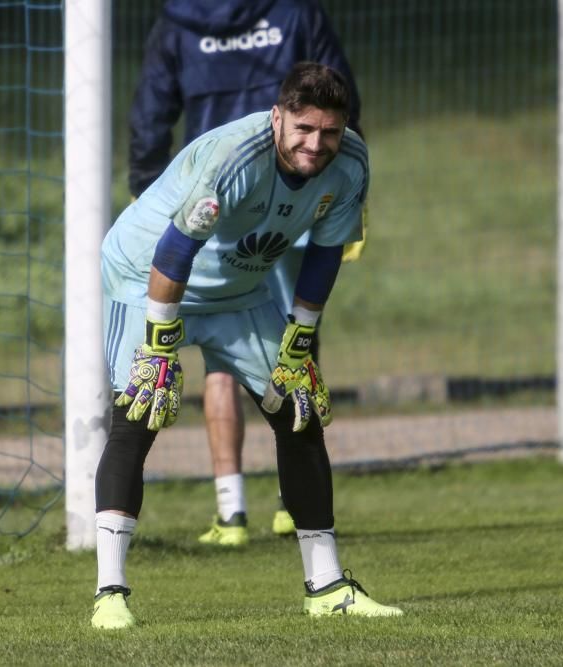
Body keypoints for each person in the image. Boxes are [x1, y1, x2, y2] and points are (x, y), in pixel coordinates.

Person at [92, 62, 401, 629]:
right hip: (147, 280)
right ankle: (109, 593)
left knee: (299, 414)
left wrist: (299, 342)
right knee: (137, 415)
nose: (316, 144)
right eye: (304, 129)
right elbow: (175, 250)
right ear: (278, 117)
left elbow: (325, 253)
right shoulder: (236, 156)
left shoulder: (351, 162)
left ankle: (327, 587)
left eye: (329, 131)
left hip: (240, 292)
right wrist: (160, 345)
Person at [128, 0, 366, 547]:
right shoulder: (294, 12)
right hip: (301, 189)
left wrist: (147, 180)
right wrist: (344, 178)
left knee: (220, 350)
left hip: (216, 199)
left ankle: (231, 511)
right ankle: (291, 503)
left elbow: (152, 107)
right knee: (293, 340)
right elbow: (339, 90)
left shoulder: (179, 19)